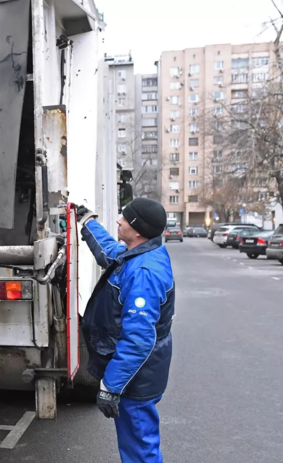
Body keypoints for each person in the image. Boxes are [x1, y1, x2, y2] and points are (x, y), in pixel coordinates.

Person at [76, 198, 175, 463]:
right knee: (138, 446)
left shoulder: (143, 273)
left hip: (136, 379)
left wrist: (112, 385)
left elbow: (138, 340)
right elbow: (110, 252)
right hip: (140, 373)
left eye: (125, 218)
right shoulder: (140, 252)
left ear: (138, 230)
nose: (119, 221)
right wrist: (87, 222)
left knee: (140, 451)